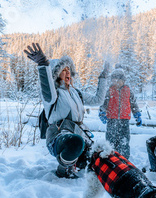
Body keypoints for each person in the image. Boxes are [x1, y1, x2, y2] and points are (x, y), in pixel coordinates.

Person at [24, 43, 109, 178]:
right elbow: (47, 89)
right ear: (56, 74)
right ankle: (63, 169)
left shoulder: (76, 93)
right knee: (75, 142)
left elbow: (98, 100)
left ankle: (81, 165)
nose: (68, 72)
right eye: (64, 70)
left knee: (100, 153)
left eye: (69, 69)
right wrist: (42, 65)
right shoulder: (52, 94)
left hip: (80, 136)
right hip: (58, 138)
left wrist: (103, 77)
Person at [98, 68, 142, 159]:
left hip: (124, 120)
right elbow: (104, 103)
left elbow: (133, 103)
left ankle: (124, 159)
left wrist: (137, 114)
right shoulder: (110, 90)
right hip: (111, 120)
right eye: (113, 79)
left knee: (124, 141)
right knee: (111, 141)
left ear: (122, 80)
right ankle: (111, 158)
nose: (114, 82)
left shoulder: (128, 90)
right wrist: (102, 112)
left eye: (116, 79)